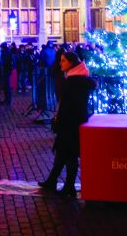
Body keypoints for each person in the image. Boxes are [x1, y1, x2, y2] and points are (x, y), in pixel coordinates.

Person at [39, 51, 95, 198]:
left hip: (70, 123)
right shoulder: (77, 79)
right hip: (74, 121)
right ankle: (53, 180)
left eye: (63, 61)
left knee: (69, 154)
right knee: (63, 153)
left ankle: (69, 185)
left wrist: (58, 122)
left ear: (71, 63)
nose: (60, 63)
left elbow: (66, 106)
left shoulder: (72, 82)